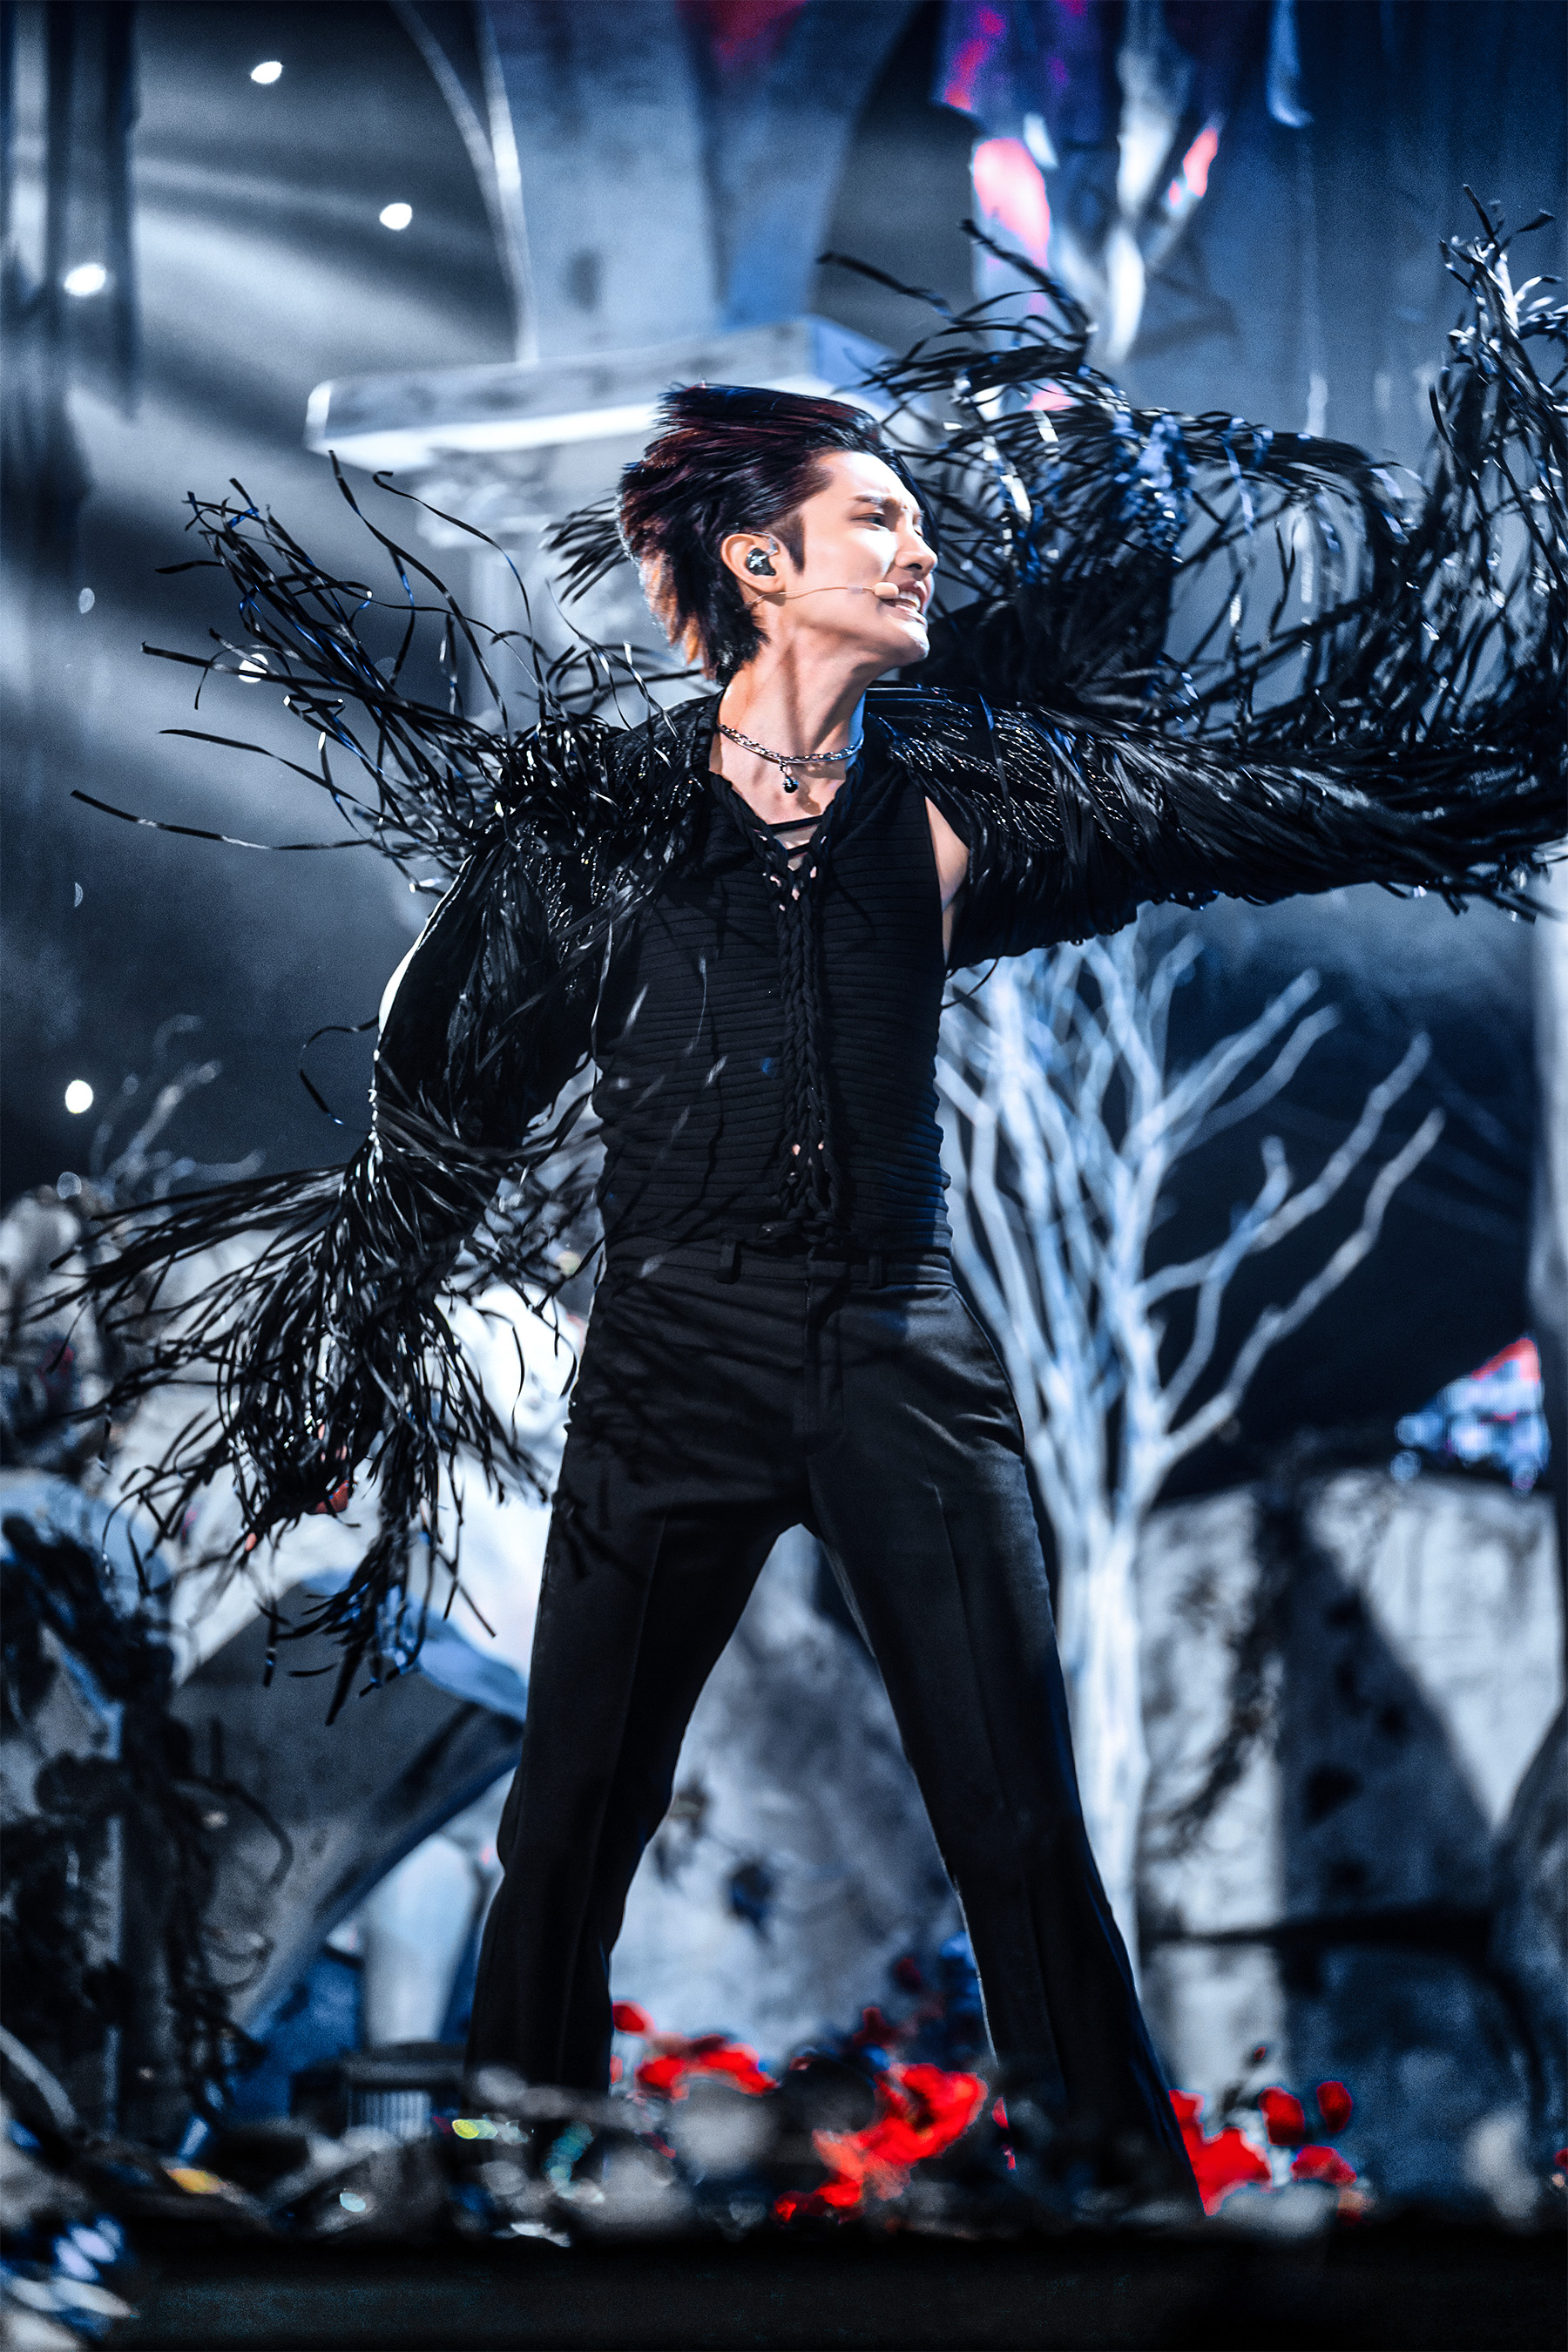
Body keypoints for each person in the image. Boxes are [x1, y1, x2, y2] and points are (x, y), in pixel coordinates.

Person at [75, 226, 1562, 2185]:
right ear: (760, 562)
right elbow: (440, 1110)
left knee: (1012, 1803)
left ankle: (1111, 2175)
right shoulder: (590, 828)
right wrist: (341, 1367)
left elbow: (1243, 812)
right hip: (671, 1356)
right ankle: (513, 2156)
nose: (918, 549)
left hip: (896, 1349)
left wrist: (1475, 773)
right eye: (878, 518)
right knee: (577, 1809)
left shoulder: (973, 796)